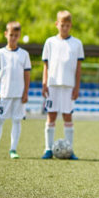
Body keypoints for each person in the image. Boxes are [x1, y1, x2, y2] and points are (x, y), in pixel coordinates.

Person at [41, 10, 84, 160]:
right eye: (62, 25)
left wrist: (77, 87)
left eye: (67, 25)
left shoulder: (77, 44)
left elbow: (78, 68)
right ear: (56, 24)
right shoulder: (50, 42)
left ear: (70, 25)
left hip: (68, 86)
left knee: (67, 116)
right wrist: (44, 82)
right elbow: (46, 65)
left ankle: (70, 150)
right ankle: (48, 149)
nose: (64, 28)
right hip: (52, 85)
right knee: (51, 115)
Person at [0, 21, 31, 159]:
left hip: (18, 94)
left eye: (16, 35)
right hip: (4, 94)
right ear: (6, 34)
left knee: (16, 121)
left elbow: (27, 74)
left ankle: (13, 149)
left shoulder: (24, 54)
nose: (13, 38)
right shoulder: (0, 53)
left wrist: (25, 93)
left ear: (19, 36)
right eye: (11, 35)